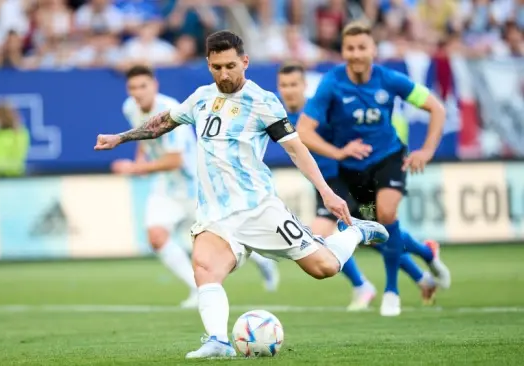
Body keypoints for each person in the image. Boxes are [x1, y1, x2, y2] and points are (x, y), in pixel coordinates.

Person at [94, 30, 389, 359]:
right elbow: (165, 121)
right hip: (215, 214)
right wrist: (120, 138)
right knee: (205, 268)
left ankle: (356, 232)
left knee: (325, 267)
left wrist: (327, 193)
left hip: (259, 210)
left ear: (245, 62)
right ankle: (218, 341)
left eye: (230, 66)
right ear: (208, 64)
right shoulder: (202, 98)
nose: (224, 74)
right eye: (217, 67)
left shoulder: (262, 102)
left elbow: (296, 150)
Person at [296, 21, 451, 317]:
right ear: (343, 51)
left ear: (373, 50)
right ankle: (427, 253)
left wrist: (427, 150)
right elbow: (304, 130)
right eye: (350, 48)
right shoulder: (332, 83)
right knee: (375, 232)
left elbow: (437, 108)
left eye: (361, 47)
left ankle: (391, 292)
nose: (356, 54)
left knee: (387, 214)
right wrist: (338, 151)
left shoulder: (390, 79)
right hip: (351, 170)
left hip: (388, 157)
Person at [111, 66, 281, 309]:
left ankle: (264, 262)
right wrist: (140, 159)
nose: (137, 93)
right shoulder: (130, 107)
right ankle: (196, 289)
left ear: (155, 85)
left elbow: (175, 160)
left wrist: (134, 169)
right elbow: (143, 135)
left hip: (195, 187)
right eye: (132, 88)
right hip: (166, 188)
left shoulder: (168, 110)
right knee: (156, 237)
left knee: (229, 235)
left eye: (143, 86)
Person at [277, 62, 439, 310]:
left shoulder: (319, 111)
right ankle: (424, 268)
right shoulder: (277, 114)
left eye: (294, 84)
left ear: (304, 86)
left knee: (321, 235)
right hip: (324, 185)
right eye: (284, 85)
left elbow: (350, 132)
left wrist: (343, 152)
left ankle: (362, 285)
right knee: (374, 236)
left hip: (343, 180)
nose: (289, 90)